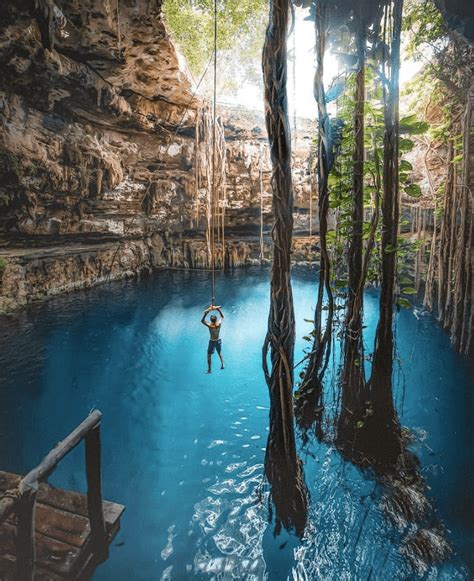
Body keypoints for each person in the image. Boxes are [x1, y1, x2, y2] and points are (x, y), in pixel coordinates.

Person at [201, 305, 225, 373]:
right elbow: (222, 317)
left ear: (211, 320)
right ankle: (223, 364)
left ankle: (209, 370)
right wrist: (218, 309)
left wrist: (206, 314)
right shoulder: (219, 324)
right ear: (216, 319)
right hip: (218, 340)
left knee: (209, 354)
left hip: (212, 341)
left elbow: (202, 321)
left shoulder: (210, 326)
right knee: (219, 352)